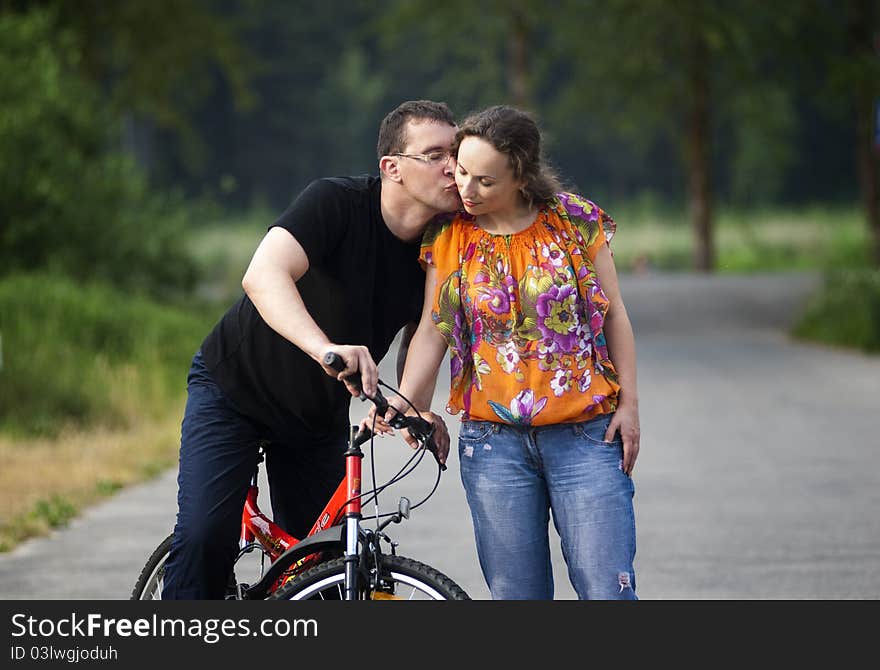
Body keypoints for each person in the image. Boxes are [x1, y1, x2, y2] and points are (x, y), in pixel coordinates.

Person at [162, 100, 460, 599]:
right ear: (393, 168)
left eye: (456, 152)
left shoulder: (441, 246)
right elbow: (263, 274)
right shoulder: (336, 203)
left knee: (323, 567)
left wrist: (412, 407)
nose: (453, 167)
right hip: (235, 390)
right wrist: (326, 349)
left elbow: (425, 333)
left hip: (315, 420)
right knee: (203, 536)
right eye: (435, 155)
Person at [367, 105, 641, 600]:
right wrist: (405, 403)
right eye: (462, 173)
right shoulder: (450, 235)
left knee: (608, 591)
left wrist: (631, 406)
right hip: (494, 447)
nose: (466, 191)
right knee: (517, 597)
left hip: (586, 436)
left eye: (484, 182)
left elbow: (615, 313)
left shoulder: (574, 221)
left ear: (521, 176)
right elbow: (434, 327)